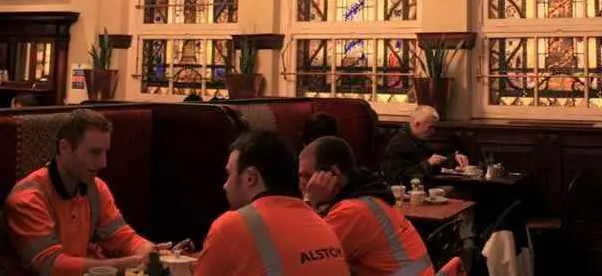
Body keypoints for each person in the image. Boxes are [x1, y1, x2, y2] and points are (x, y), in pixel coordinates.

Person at [0, 109, 162, 275]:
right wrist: (125, 264)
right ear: (64, 148)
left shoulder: (96, 188)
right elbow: (51, 266)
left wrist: (149, 252)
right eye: (94, 152)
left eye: (105, 152)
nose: (103, 163)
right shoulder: (27, 199)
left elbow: (122, 237)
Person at [193, 130, 350, 275]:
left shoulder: (230, 226)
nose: (225, 185)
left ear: (250, 177)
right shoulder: (321, 221)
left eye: (230, 174)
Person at [300, 136, 433, 276]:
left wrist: (311, 202)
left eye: (307, 176)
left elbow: (307, 259)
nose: (302, 185)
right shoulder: (368, 195)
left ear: (333, 173)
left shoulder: (352, 211)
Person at [381, 105, 468, 184]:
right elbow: (398, 179)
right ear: (417, 124)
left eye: (434, 128)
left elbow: (434, 161)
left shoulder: (418, 139)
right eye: (430, 127)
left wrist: (454, 159)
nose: (433, 132)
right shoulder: (399, 144)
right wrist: (428, 164)